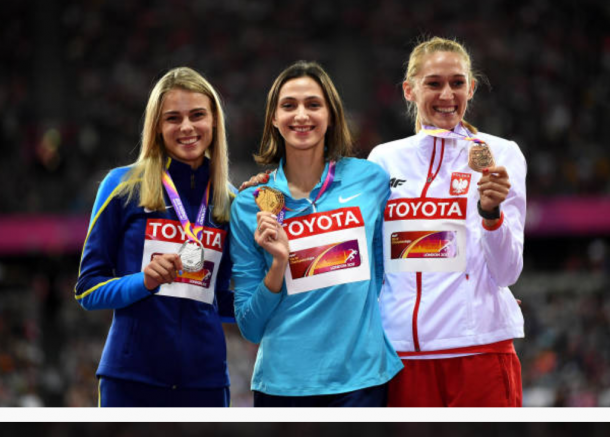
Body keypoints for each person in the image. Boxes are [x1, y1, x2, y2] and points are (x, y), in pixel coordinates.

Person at [230, 61, 402, 407]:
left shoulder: (370, 180)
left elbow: (385, 267)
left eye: (313, 104)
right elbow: (249, 326)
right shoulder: (250, 205)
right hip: (283, 388)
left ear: (331, 115)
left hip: (363, 382)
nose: (301, 115)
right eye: (289, 105)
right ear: (274, 119)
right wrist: (278, 265)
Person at [367, 36, 526, 407]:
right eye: (433, 83)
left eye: (457, 83)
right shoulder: (384, 160)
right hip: (402, 352)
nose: (447, 94)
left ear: (471, 87)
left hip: (481, 348)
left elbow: (507, 272)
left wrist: (490, 214)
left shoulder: (502, 155)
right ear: (409, 90)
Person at [75, 67, 235, 407]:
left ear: (215, 122)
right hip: (131, 379)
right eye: (173, 118)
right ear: (157, 128)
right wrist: (142, 282)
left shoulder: (231, 202)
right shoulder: (121, 187)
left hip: (205, 382)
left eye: (197, 115)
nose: (187, 127)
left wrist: (280, 293)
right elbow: (87, 288)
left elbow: (220, 299)